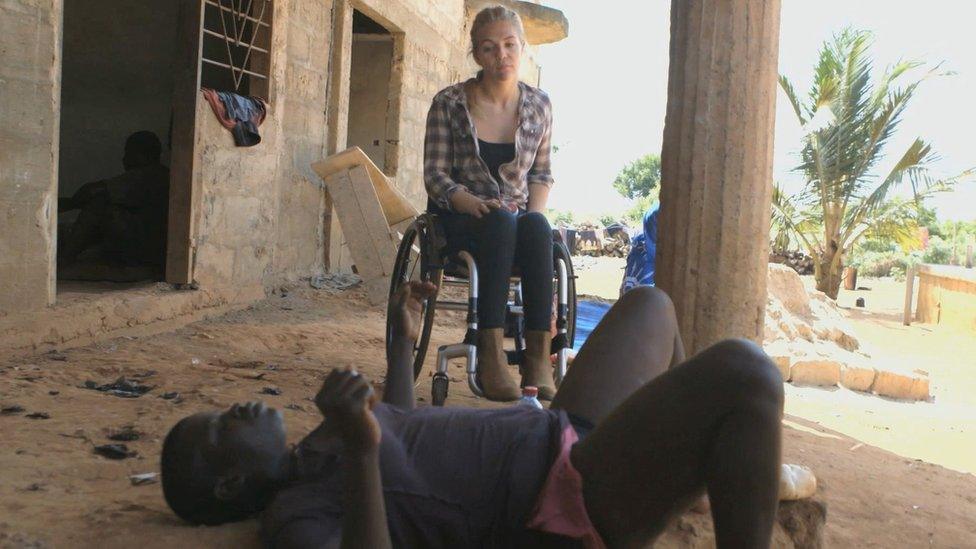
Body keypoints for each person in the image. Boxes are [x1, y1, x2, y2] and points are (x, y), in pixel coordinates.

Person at [161, 281, 785, 548]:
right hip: (563, 498)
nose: (235, 408)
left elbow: (399, 423)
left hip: (555, 429)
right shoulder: (291, 518)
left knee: (653, 304)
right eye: (221, 428)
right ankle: (708, 464)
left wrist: (401, 344)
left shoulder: (321, 441)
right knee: (747, 374)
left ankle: (701, 475)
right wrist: (360, 445)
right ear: (230, 484)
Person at [424, 6, 558, 401]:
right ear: (477, 55)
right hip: (462, 216)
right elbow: (435, 175)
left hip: (515, 220)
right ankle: (490, 352)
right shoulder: (449, 103)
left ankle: (536, 357)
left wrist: (533, 214)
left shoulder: (539, 106)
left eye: (509, 45)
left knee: (537, 226)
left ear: (522, 48)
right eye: (489, 48)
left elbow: (542, 174)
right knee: (501, 222)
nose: (501, 55)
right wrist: (465, 201)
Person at [58, 131, 170, 270]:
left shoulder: (145, 174)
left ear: (141, 155)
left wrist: (70, 203)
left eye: (128, 153)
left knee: (99, 204)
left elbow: (93, 191)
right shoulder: (163, 174)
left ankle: (65, 259)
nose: (124, 159)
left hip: (148, 249)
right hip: (156, 248)